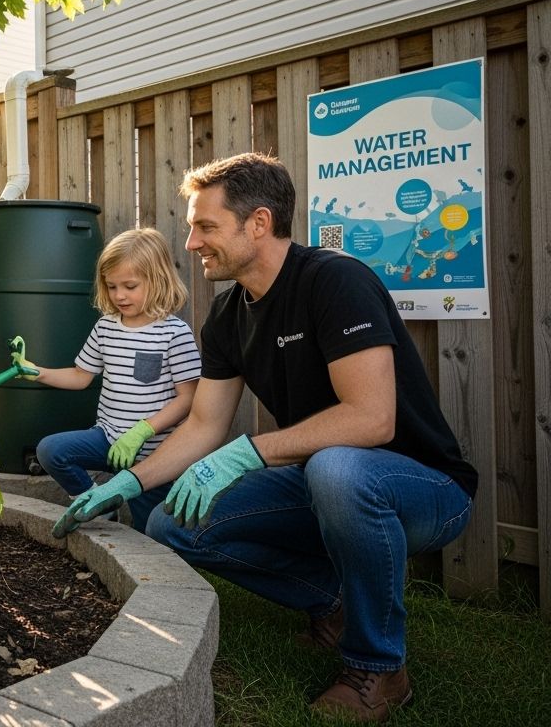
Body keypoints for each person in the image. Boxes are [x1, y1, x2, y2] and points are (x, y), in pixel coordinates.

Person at [54, 152, 476, 722]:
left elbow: (372, 419)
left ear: (257, 223)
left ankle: (379, 668)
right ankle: (332, 601)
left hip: (424, 487)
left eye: (206, 227)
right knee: (171, 523)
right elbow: (204, 423)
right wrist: (127, 482)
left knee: (336, 467)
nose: (192, 244)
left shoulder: (335, 281)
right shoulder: (227, 315)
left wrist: (248, 452)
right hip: (320, 480)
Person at [13, 228, 199, 533]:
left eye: (130, 286)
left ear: (158, 279)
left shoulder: (174, 333)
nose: (119, 295)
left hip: (152, 456)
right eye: (111, 286)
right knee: (51, 451)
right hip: (108, 440)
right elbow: (80, 376)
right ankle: (100, 506)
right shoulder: (106, 328)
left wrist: (143, 431)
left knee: (150, 534)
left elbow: (188, 398)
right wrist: (38, 371)